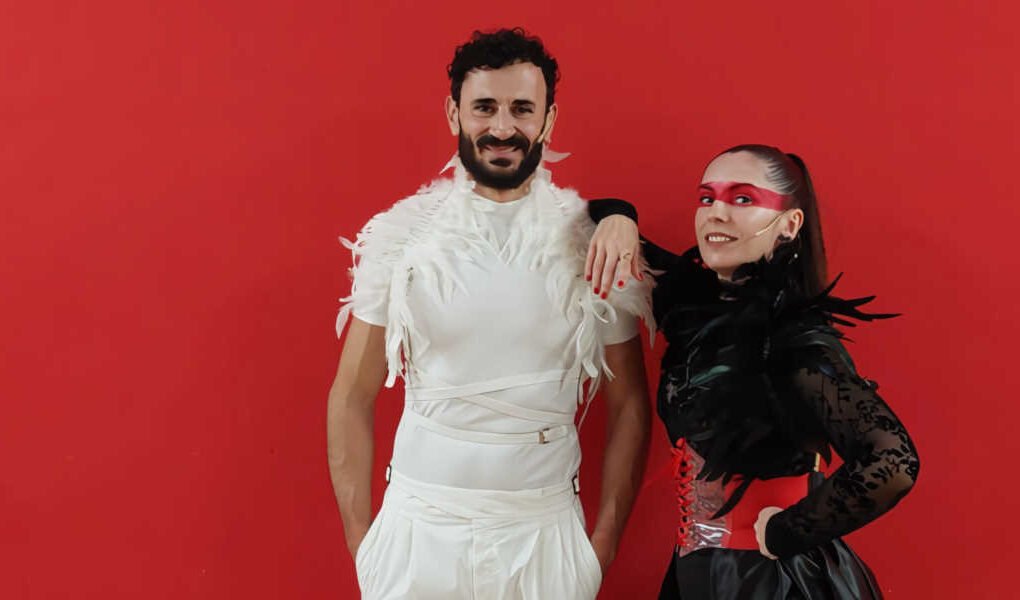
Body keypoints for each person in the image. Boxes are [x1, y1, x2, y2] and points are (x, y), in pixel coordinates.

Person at [327, 28, 654, 600]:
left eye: (522, 108)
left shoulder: (594, 246)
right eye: (485, 107)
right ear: (454, 113)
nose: (502, 128)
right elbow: (352, 393)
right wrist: (366, 549)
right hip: (417, 534)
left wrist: (597, 551)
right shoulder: (401, 238)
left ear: (548, 121)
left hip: (545, 537)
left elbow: (629, 404)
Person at [586, 144, 920, 598]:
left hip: (771, 583)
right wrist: (620, 216)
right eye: (707, 197)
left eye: (743, 199)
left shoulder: (792, 342)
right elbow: (596, 224)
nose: (717, 212)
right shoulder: (694, 306)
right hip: (697, 577)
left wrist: (788, 531)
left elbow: (893, 461)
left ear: (789, 224)